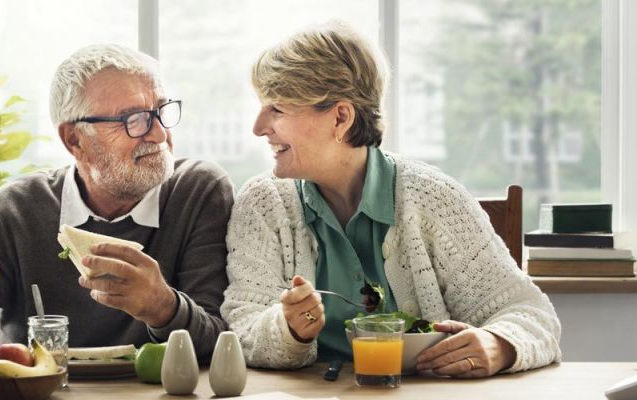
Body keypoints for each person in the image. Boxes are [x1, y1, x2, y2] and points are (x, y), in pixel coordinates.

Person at [221, 21, 561, 377]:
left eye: (277, 109)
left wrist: (499, 344)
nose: (258, 127)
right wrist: (288, 329)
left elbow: (531, 314)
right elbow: (241, 328)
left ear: (340, 117)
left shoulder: (435, 198)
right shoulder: (263, 203)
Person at [0, 44, 234, 361]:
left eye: (161, 111)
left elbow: (222, 346)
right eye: (133, 119)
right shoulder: (15, 210)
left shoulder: (198, 192)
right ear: (74, 139)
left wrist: (163, 307)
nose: (160, 134)